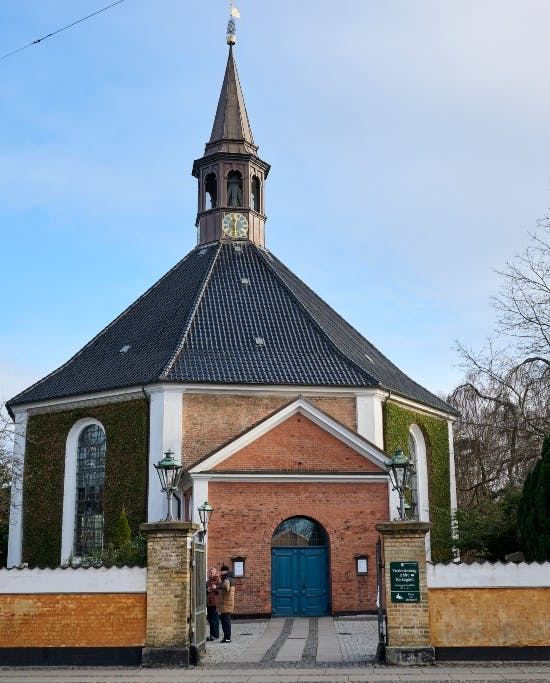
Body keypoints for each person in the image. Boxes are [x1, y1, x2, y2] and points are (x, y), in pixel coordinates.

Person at [217, 563, 235, 643]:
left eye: (222, 571)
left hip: (226, 604)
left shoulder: (227, 579)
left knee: (226, 622)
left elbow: (225, 588)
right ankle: (226, 637)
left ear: (225, 571)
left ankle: (227, 638)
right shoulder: (229, 578)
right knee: (225, 622)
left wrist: (217, 587)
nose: (221, 572)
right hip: (227, 604)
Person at [206, 567, 220, 642]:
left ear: (215, 572)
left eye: (213, 572)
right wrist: (207, 590)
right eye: (210, 572)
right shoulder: (208, 581)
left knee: (214, 619)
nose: (211, 573)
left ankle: (215, 635)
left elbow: (220, 590)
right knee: (210, 619)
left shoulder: (218, 580)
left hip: (214, 602)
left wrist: (215, 588)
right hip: (208, 603)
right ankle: (212, 635)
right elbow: (205, 589)